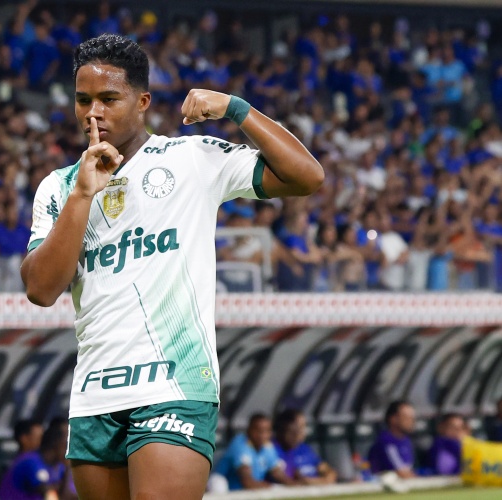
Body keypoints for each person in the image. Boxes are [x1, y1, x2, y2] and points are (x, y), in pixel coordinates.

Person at [20, 33, 323, 500]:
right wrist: (83, 194)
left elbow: (307, 176)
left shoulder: (190, 159)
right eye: (83, 100)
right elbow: (41, 289)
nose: (92, 113)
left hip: (175, 382)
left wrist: (235, 108)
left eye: (108, 99)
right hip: (96, 391)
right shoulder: (59, 187)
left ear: (142, 101)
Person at [212, 414, 293, 490]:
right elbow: (247, 481)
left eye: (266, 431)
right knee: (218, 483)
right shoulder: (240, 443)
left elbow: (277, 472)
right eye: (258, 430)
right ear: (249, 430)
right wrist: (271, 487)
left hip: (248, 489)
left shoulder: (267, 446)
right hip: (226, 487)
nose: (262, 435)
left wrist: (294, 484)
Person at [0, 423, 69, 499]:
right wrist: (68, 468)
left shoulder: (58, 465)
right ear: (57, 444)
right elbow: (48, 492)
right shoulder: (30, 461)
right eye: (66, 445)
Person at [273, 409, 336, 484]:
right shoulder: (276, 450)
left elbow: (328, 471)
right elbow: (291, 478)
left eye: (304, 426)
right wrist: (311, 482)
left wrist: (324, 480)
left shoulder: (304, 448)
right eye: (300, 426)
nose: (302, 431)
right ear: (285, 428)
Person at [368, 400, 416, 478]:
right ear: (393, 419)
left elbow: (409, 469)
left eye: (412, 418)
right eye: (406, 417)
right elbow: (401, 472)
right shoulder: (386, 441)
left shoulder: (407, 440)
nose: (411, 421)